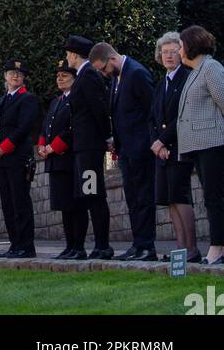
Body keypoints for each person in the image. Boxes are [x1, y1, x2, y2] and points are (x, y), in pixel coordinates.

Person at [90, 41, 157, 261]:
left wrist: (151, 142)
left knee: (143, 198)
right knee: (133, 199)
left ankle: (147, 246)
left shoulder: (136, 73)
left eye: (103, 69)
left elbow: (152, 111)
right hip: (126, 150)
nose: (103, 74)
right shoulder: (117, 79)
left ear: (112, 58)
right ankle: (138, 244)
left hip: (141, 149)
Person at [177, 25, 224, 267]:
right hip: (199, 146)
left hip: (214, 144)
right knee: (211, 197)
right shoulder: (195, 71)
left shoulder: (211, 68)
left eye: (180, 46)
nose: (178, 51)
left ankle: (217, 248)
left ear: (191, 45)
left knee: (215, 197)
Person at [64, 35, 113, 259]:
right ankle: (89, 245)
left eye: (68, 54)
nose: (67, 58)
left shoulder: (88, 75)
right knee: (87, 194)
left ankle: (102, 245)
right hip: (83, 146)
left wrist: (107, 136)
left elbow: (98, 108)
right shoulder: (84, 75)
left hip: (90, 147)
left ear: (75, 54)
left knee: (93, 194)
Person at [150, 31, 197, 262]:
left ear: (182, 53)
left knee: (180, 196)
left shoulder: (187, 78)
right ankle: (180, 250)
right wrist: (156, 143)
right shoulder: (161, 83)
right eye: (164, 52)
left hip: (181, 146)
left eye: (173, 51)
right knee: (169, 199)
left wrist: (163, 141)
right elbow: (152, 118)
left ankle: (192, 250)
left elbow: (183, 115)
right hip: (162, 151)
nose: (168, 56)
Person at [0, 59, 39, 258]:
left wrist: (4, 147)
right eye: (11, 73)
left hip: (17, 157)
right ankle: (14, 243)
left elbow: (24, 128)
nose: (15, 76)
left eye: (19, 74)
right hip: (1, 159)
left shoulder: (27, 99)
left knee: (20, 202)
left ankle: (26, 245)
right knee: (7, 203)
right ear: (5, 76)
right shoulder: (0, 101)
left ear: (24, 78)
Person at [37, 60, 82, 259]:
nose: (60, 79)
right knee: (63, 205)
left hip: (68, 159)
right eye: (58, 76)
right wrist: (42, 145)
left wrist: (52, 147)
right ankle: (69, 245)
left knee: (74, 205)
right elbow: (46, 127)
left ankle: (78, 246)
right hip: (55, 161)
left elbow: (71, 130)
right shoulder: (57, 101)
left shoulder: (75, 100)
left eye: (65, 76)